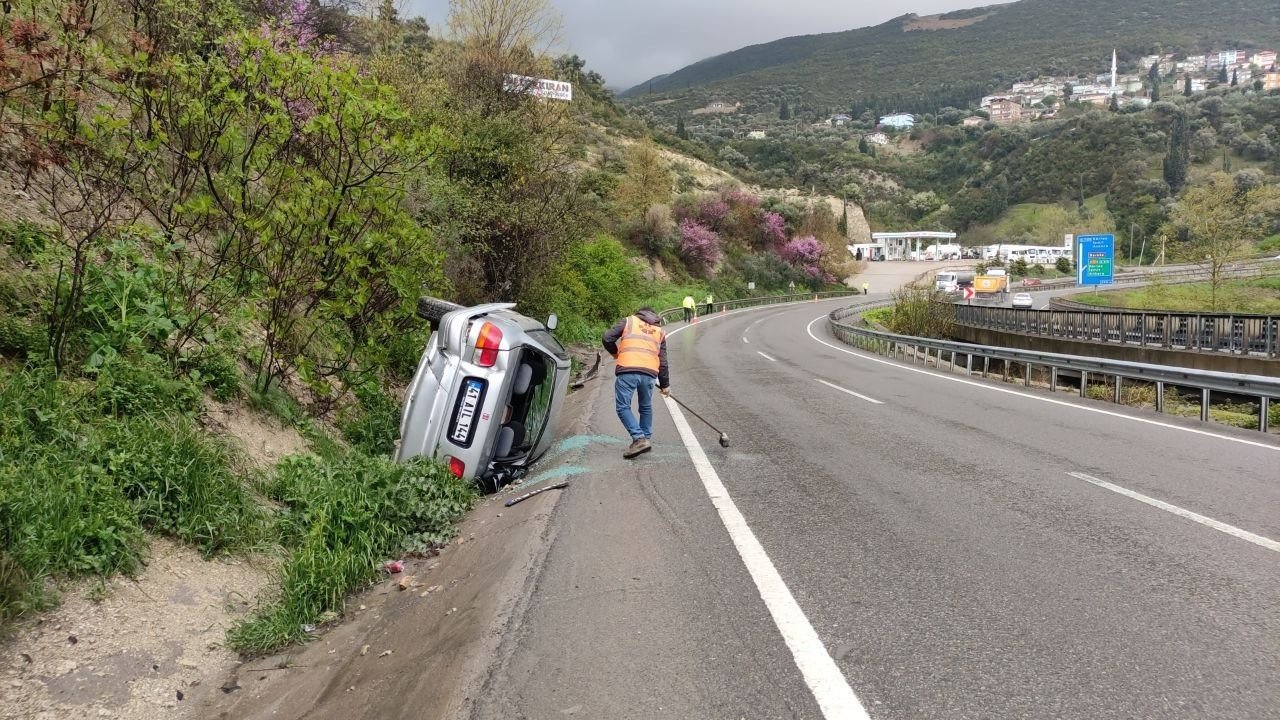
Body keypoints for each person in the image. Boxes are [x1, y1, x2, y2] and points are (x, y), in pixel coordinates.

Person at [602, 307, 670, 459]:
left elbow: (607, 338)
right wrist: (665, 384)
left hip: (628, 370)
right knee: (645, 406)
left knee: (622, 407)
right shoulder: (660, 332)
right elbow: (663, 362)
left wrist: (615, 353)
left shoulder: (629, 321)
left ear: (640, 314)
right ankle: (645, 438)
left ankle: (639, 438)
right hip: (649, 373)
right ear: (655, 317)